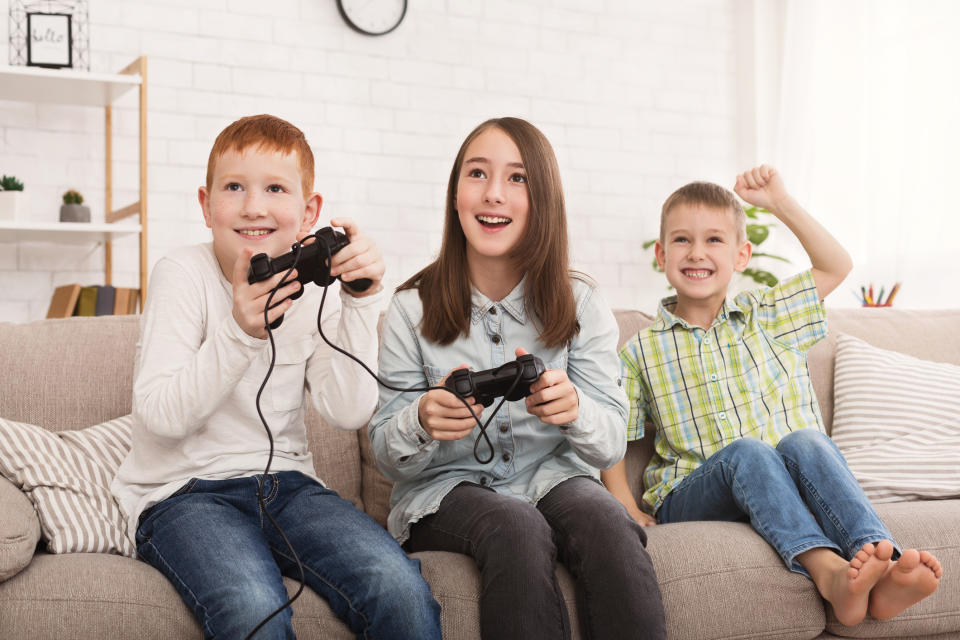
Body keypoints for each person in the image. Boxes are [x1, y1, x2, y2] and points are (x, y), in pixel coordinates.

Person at [111, 114, 442, 640]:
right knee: (254, 609)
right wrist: (241, 332)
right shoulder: (182, 273)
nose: (254, 206)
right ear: (205, 204)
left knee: (398, 589)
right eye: (234, 187)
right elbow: (160, 415)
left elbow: (348, 409)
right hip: (185, 494)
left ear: (309, 211)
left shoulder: (311, 287)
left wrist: (361, 302)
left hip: (287, 486)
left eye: (275, 189)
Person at [602, 165, 943, 626]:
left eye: (714, 240)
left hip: (785, 476)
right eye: (682, 240)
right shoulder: (641, 349)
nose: (697, 252)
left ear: (742, 255)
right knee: (749, 453)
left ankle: (875, 569)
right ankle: (830, 575)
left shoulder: (769, 316)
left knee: (807, 441)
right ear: (661, 254)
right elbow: (610, 432)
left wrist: (780, 203)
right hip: (693, 491)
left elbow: (835, 265)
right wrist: (627, 506)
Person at [369, 117, 667, 640]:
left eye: (517, 178)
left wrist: (574, 410)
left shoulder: (583, 304)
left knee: (607, 524)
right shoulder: (409, 309)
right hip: (445, 489)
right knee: (516, 525)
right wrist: (420, 420)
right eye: (477, 174)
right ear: (455, 195)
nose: (493, 195)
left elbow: (610, 442)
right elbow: (385, 453)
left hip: (555, 473)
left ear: (543, 199)